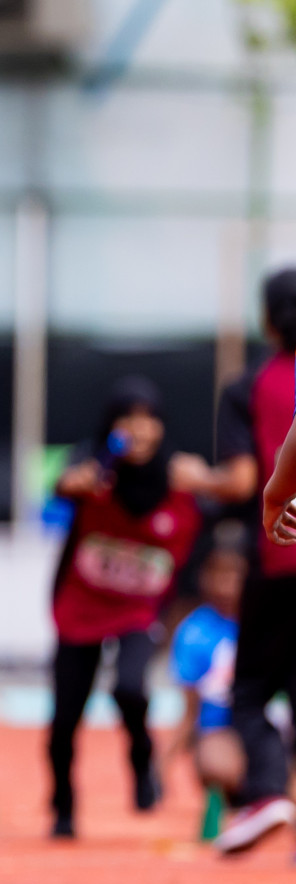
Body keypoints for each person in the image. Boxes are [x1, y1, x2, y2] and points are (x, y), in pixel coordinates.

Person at [48, 377, 207, 839]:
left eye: (148, 419)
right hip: (79, 607)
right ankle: (62, 806)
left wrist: (212, 479)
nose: (139, 430)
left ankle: (141, 760)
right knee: (65, 717)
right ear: (111, 426)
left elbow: (226, 498)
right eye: (128, 419)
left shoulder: (178, 477)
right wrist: (74, 481)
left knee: (132, 689)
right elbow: (63, 484)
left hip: (139, 610)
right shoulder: (93, 467)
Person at [209, 268, 296, 853]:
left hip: (280, 556)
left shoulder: (249, 387)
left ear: (266, 321)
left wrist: (198, 478)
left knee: (250, 692)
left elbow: (244, 478)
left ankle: (266, 793)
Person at [164, 536, 248, 806]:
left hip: (275, 730)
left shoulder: (273, 624)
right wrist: (161, 767)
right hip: (220, 730)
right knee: (220, 764)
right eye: (218, 574)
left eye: (235, 574)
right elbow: (189, 712)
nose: (226, 585)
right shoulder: (194, 632)